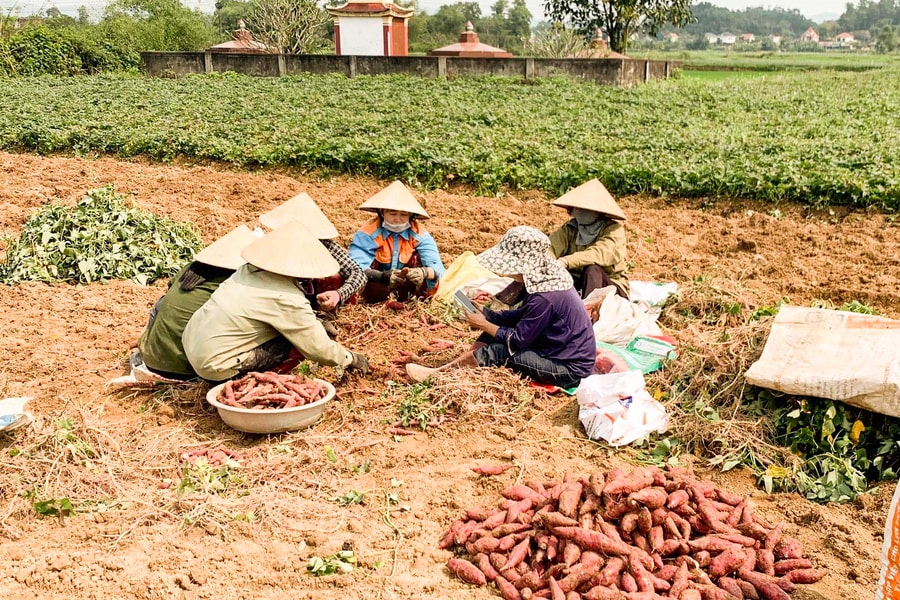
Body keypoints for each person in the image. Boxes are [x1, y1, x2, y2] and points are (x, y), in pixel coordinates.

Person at [406, 226, 596, 389]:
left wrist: (483, 323)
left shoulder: (545, 297)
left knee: (499, 351)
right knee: (492, 333)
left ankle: (439, 375)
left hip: (568, 368)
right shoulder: (544, 283)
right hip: (553, 348)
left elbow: (517, 341)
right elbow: (522, 316)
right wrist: (488, 315)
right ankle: (464, 364)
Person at [182, 221, 370, 383]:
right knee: (295, 344)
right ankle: (261, 384)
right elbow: (318, 348)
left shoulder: (248, 270)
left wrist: (315, 320)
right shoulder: (287, 297)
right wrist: (351, 359)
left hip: (192, 349)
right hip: (216, 367)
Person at [136, 225, 259, 381]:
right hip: (186, 369)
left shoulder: (192, 268)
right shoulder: (234, 282)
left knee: (162, 302)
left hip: (149, 358)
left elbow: (170, 289)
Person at [259, 192, 365, 314]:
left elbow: (358, 273)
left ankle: (324, 314)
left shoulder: (324, 244)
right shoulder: (273, 243)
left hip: (313, 296)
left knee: (332, 277)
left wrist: (339, 294)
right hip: (282, 294)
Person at [349, 181, 445, 303]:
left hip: (408, 289)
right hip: (376, 288)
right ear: (382, 212)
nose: (398, 219)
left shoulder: (419, 234)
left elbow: (437, 266)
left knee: (423, 264)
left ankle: (417, 299)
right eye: (392, 213)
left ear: (410, 215)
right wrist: (382, 276)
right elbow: (355, 265)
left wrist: (423, 272)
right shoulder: (368, 233)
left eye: (404, 214)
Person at [549, 178, 629, 299]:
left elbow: (598, 254)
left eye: (584, 209)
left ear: (597, 212)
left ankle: (587, 310)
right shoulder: (570, 228)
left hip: (610, 286)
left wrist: (566, 261)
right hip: (577, 283)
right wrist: (547, 261)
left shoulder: (613, 230)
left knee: (592, 270)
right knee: (544, 270)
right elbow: (551, 246)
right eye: (577, 208)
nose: (579, 212)